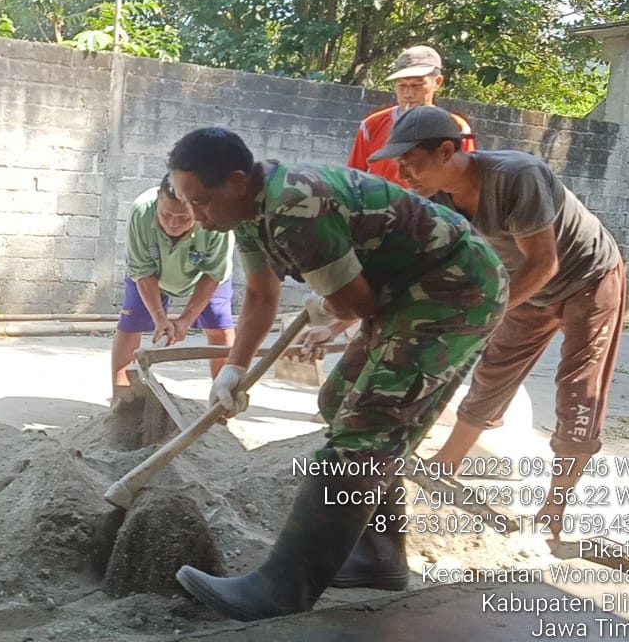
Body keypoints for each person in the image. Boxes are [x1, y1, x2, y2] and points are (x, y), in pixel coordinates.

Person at [166, 127, 508, 621]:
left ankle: (282, 588)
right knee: (339, 402)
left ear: (237, 181)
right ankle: (379, 556)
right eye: (187, 202)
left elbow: (354, 302)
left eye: (200, 203)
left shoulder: (292, 207)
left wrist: (326, 304)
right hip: (407, 291)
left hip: (453, 291)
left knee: (366, 428)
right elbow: (262, 294)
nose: (195, 216)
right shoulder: (242, 211)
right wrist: (234, 369)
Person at [383, 105, 626, 541]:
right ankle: (444, 468)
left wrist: (485, 313)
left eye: (408, 162)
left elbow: (545, 262)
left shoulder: (517, 175)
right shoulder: (437, 201)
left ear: (445, 151)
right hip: (527, 283)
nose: (402, 174)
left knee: (579, 392)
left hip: (587, 278)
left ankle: (553, 514)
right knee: (493, 370)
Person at [110, 174, 235, 394]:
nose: (173, 224)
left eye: (184, 218)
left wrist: (187, 319)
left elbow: (213, 274)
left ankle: (222, 399)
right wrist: (159, 318)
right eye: (166, 214)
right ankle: (122, 398)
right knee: (131, 328)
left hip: (204, 276)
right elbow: (142, 271)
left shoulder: (218, 222)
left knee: (220, 331)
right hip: (151, 273)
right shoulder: (141, 212)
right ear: (157, 199)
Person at [346, 45, 475, 187]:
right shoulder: (371, 125)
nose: (408, 94)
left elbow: (465, 181)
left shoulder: (457, 128)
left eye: (417, 86)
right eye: (402, 86)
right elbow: (352, 178)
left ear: (437, 82)